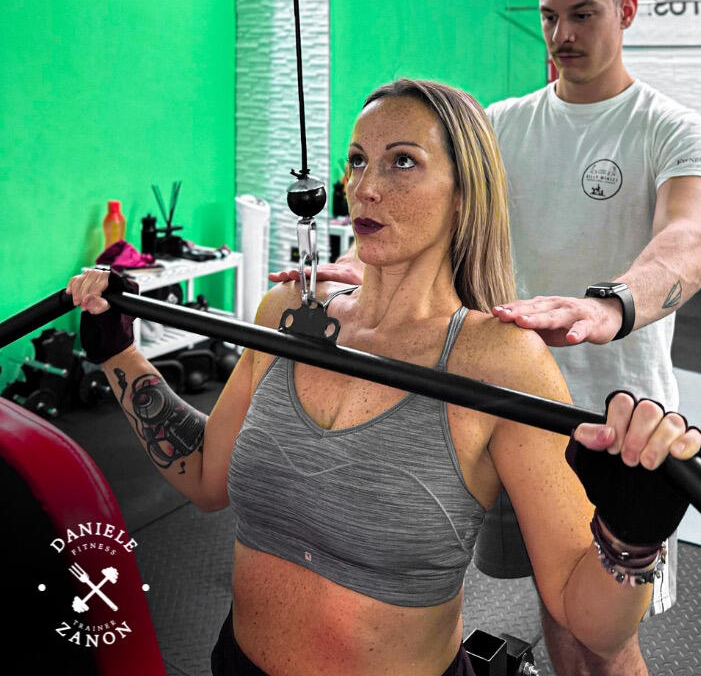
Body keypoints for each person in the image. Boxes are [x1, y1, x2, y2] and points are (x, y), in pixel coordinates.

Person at [69, 78, 700, 676]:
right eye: (357, 161)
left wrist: (628, 538)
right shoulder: (288, 313)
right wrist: (119, 353)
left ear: (465, 191)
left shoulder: (501, 361)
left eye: (402, 162)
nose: (365, 187)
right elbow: (207, 475)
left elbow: (588, 621)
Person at [280, 0, 701, 675]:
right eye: (548, 16)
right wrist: (365, 265)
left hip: (617, 420)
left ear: (627, 10)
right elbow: (437, 219)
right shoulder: (502, 124)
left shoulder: (668, 127)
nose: (562, 34)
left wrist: (611, 307)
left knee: (606, 639)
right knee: (557, 607)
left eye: (583, 14)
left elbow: (686, 236)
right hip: (510, 405)